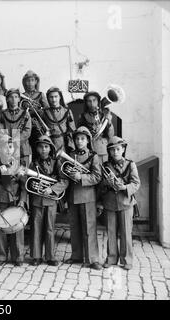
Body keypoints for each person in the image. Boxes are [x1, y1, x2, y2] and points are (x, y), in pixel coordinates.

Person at [97, 137, 140, 270]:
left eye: (118, 149)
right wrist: (106, 183)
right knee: (111, 232)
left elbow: (136, 183)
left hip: (125, 203)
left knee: (126, 232)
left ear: (123, 149)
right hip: (110, 203)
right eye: (112, 150)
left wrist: (124, 187)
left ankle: (127, 259)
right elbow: (100, 186)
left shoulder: (130, 164)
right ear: (109, 152)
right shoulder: (105, 166)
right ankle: (111, 258)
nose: (115, 152)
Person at [64, 126, 102, 270]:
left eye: (82, 139)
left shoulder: (93, 156)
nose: (79, 141)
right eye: (77, 139)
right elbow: (64, 173)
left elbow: (97, 177)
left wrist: (82, 176)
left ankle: (93, 259)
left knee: (89, 227)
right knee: (75, 227)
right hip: (73, 195)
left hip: (87, 196)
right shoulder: (70, 155)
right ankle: (77, 256)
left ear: (87, 140)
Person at [28, 135, 68, 266]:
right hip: (37, 200)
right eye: (41, 147)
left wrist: (52, 189)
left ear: (50, 148)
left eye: (46, 147)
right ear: (37, 148)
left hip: (50, 200)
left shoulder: (57, 163)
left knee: (50, 228)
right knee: (36, 227)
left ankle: (50, 256)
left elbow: (64, 181)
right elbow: (29, 182)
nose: (44, 150)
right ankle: (36, 256)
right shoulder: (33, 164)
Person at [0, 135, 27, 266]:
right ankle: (0, 256)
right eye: (5, 147)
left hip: (16, 198)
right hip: (2, 197)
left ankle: (18, 257)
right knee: (1, 226)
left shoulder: (19, 164)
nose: (8, 150)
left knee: (17, 227)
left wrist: (22, 200)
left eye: (10, 147)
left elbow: (24, 185)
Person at [0, 88, 32, 166]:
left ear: (19, 99)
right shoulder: (3, 114)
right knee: (7, 175)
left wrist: (15, 141)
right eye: (11, 97)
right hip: (7, 148)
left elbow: (27, 131)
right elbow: (1, 130)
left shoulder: (25, 114)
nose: (13, 99)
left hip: (22, 148)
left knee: (22, 175)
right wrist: (8, 140)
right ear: (7, 99)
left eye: (16, 97)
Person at [77, 91, 114, 163]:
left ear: (98, 102)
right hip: (87, 150)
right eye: (89, 101)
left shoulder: (104, 115)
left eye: (94, 100)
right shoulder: (82, 117)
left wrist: (109, 122)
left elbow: (111, 135)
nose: (92, 103)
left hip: (101, 150)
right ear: (86, 103)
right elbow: (79, 135)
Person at [21, 71, 49, 154]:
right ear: (25, 82)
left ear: (36, 81)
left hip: (38, 125)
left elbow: (47, 109)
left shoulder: (40, 94)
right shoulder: (22, 95)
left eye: (32, 80)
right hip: (26, 125)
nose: (30, 83)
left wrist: (39, 110)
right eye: (28, 81)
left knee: (39, 146)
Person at [41, 87, 76, 152]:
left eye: (56, 96)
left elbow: (72, 128)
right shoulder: (44, 112)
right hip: (49, 143)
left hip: (63, 143)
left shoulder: (67, 111)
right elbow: (41, 128)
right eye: (51, 97)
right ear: (48, 98)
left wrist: (70, 143)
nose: (54, 99)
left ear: (60, 97)